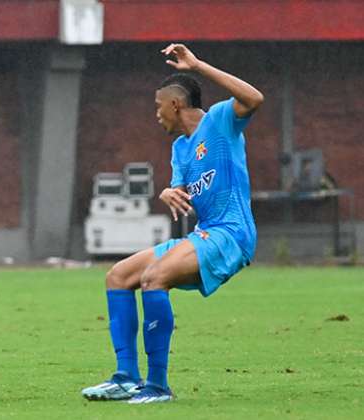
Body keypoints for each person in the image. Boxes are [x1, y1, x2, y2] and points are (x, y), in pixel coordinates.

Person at [81, 43, 264, 404]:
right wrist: (167, 192)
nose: (156, 114)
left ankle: (158, 385)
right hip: (205, 233)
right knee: (119, 275)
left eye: (157, 106)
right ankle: (125, 377)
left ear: (175, 104)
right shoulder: (181, 147)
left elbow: (255, 98)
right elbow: (180, 189)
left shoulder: (220, 120)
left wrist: (197, 65)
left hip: (231, 234)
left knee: (154, 278)